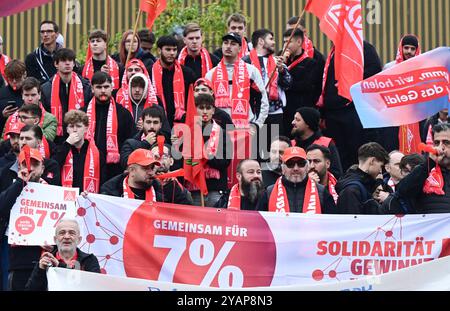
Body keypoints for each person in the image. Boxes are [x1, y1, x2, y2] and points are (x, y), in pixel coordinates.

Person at [319, 41, 382, 171]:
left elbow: (375, 72)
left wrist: (351, 80)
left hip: (353, 110)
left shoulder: (364, 48)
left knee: (355, 151)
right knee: (338, 154)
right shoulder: (334, 51)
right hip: (333, 113)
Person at [0, 148, 51, 290]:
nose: (31, 168)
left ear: (42, 168)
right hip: (19, 262)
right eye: (26, 164)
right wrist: (20, 183)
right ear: (20, 167)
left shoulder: (53, 192)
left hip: (45, 260)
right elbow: (2, 208)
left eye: (35, 164)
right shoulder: (14, 187)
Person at [206, 32, 269, 132]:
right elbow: (206, 104)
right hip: (219, 130)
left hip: (246, 129)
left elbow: (263, 101)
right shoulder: (210, 74)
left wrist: (256, 125)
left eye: (233, 44)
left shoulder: (251, 71)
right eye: (226, 43)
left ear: (240, 48)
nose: (228, 46)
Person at [82, 72, 136, 180]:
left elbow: (130, 142)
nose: (103, 90)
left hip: (115, 169)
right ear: (92, 89)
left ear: (112, 88)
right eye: (99, 87)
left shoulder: (123, 113)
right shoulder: (82, 114)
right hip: (87, 165)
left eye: (106, 87)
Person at [243, 28, 291, 149]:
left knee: (275, 150)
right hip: (255, 114)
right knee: (257, 150)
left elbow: (288, 84)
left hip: (275, 113)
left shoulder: (277, 61)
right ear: (261, 41)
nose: (274, 42)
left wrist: (282, 71)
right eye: (271, 39)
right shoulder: (245, 62)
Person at [25, 219, 101, 291]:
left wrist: (59, 266)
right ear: (55, 239)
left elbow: (93, 287)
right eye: (62, 233)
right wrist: (40, 270)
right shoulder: (45, 261)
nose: (67, 237)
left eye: (72, 233)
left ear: (79, 240)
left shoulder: (90, 260)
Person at [257, 146, 336, 213]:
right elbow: (259, 225)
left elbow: (333, 226)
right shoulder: (268, 193)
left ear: (307, 167)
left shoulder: (322, 192)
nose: (295, 168)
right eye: (290, 164)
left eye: (301, 163)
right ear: (283, 168)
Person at [184, 94, 231, 207]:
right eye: (201, 108)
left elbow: (225, 161)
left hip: (215, 190)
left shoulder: (223, 133)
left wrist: (205, 156)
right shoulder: (187, 133)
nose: (205, 111)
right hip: (194, 189)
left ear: (213, 110)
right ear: (195, 110)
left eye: (208, 108)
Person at [380, 34, 423, 154]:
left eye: (412, 49)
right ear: (401, 48)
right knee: (392, 150)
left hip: (416, 116)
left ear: (417, 50)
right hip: (393, 118)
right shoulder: (389, 67)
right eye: (406, 48)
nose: (409, 51)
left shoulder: (422, 68)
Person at [394, 123, 450, 213]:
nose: (441, 147)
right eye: (436, 143)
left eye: (446, 142)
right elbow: (402, 192)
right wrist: (430, 162)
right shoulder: (425, 170)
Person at [40, 48, 92, 143]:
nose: (67, 63)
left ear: (73, 63)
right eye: (63, 60)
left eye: (70, 60)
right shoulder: (46, 88)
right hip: (56, 139)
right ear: (56, 64)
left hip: (80, 137)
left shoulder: (86, 86)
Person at [282, 28, 323, 135]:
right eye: (284, 42)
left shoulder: (311, 63)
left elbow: (306, 86)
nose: (286, 45)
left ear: (299, 42)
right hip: (283, 112)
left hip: (301, 112)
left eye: (289, 42)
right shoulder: (281, 61)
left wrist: (286, 83)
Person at [52, 110, 106, 193]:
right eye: (71, 126)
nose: (75, 130)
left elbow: (103, 180)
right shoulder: (60, 149)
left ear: (86, 128)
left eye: (78, 126)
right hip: (65, 198)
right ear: (67, 129)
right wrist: (67, 144)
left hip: (87, 198)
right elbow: (53, 166)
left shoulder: (97, 153)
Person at [152, 35, 196, 128]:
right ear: (159, 51)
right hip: (157, 125)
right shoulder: (150, 72)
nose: (172, 53)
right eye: (168, 50)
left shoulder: (187, 73)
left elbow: (192, 101)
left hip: (182, 125)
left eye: (174, 50)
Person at [335, 142, 389, 214]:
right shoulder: (352, 190)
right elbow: (352, 223)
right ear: (372, 161)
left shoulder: (366, 186)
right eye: (381, 166)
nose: (380, 171)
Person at [291, 107, 343, 178]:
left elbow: (337, 173)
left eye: (297, 120)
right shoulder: (291, 144)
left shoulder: (326, 143)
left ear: (308, 123)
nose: (293, 122)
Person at [116, 58, 158, 124]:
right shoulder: (116, 95)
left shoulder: (155, 99)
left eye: (137, 70)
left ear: (143, 72)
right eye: (130, 70)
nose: (133, 72)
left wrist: (147, 126)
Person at [0, 60, 26, 134]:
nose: (14, 81)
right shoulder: (2, 93)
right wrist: (2, 116)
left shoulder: (32, 91)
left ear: (25, 74)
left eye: (17, 78)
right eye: (11, 78)